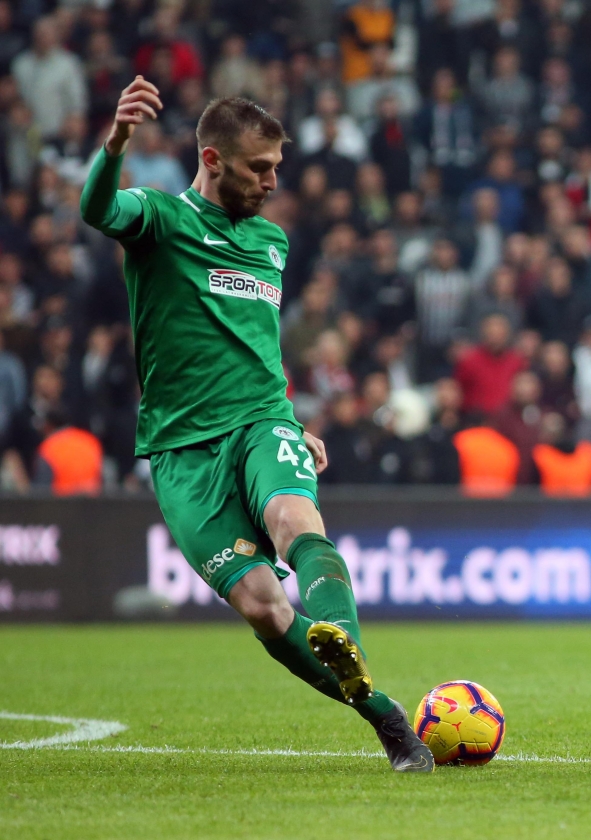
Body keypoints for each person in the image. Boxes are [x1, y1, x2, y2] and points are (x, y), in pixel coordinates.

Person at [79, 77, 433, 773]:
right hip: (183, 453)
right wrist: (117, 140)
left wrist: (290, 420)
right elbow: (95, 207)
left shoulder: (271, 241)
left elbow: (257, 340)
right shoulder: (159, 220)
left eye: (277, 167)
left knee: (295, 523)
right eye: (259, 168)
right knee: (267, 609)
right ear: (212, 160)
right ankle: (380, 708)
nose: (273, 182)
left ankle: (347, 649)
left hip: (263, 421)